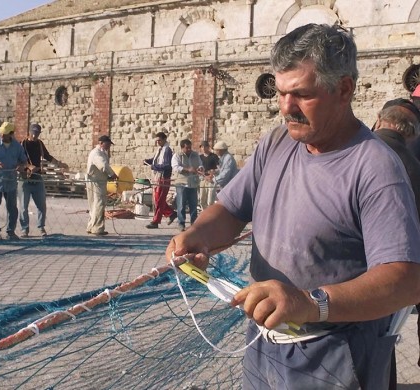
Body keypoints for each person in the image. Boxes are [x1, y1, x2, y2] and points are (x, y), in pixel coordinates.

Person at [166, 23, 420, 389]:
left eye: (301, 94)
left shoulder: (375, 167)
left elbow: (406, 280)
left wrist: (309, 302)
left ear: (344, 89)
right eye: (281, 93)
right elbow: (231, 209)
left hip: (333, 355)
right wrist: (197, 235)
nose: (287, 108)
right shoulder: (276, 144)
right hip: (263, 346)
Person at [372, 99, 420, 390]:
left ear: (378, 120)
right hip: (399, 276)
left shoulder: (351, 151)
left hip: (348, 277)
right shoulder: (416, 167)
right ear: (412, 134)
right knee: (383, 345)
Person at [19, 123, 62, 238]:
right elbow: (17, 161)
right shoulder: (22, 144)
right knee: (24, 206)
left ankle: (41, 227)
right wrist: (28, 166)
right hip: (25, 179)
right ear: (29, 132)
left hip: (37, 178)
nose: (35, 135)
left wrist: (59, 164)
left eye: (37, 133)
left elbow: (47, 156)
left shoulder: (39, 144)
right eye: (34, 132)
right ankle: (24, 229)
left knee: (41, 205)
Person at [86, 135, 117, 236]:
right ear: (101, 143)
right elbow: (103, 165)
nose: (108, 146)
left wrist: (107, 177)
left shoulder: (102, 153)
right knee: (99, 203)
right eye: (107, 144)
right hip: (96, 182)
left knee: (94, 204)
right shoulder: (96, 153)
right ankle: (98, 228)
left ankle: (91, 226)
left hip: (99, 180)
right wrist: (112, 174)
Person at [144, 132, 176, 229]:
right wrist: (148, 161)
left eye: (159, 140)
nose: (158, 142)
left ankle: (156, 221)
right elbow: (155, 159)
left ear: (164, 139)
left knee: (159, 200)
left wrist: (155, 166)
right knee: (157, 199)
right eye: (157, 140)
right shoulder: (160, 150)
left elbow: (167, 165)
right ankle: (171, 213)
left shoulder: (167, 150)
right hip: (157, 177)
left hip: (163, 178)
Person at [171, 139, 203, 232]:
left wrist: (200, 168)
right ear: (182, 148)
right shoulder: (177, 156)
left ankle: (194, 223)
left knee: (194, 204)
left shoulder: (195, 155)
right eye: (187, 148)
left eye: (190, 147)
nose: (189, 149)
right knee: (181, 204)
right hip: (181, 183)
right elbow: (176, 167)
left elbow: (200, 164)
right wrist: (188, 169)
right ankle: (181, 223)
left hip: (193, 183)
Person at [198, 140, 219, 210]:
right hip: (203, 179)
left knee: (210, 200)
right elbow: (198, 169)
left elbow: (219, 168)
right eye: (202, 147)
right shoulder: (200, 157)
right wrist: (203, 175)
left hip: (211, 179)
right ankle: (204, 213)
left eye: (205, 147)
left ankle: (210, 215)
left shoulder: (214, 156)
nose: (203, 148)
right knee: (201, 199)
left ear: (208, 147)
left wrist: (212, 174)